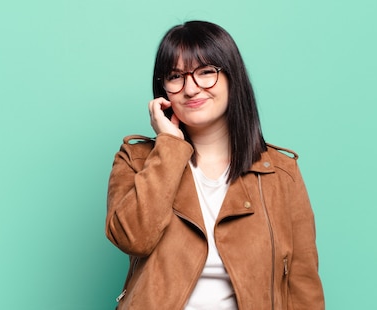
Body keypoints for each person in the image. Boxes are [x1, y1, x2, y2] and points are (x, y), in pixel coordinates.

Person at [106, 20, 324, 310]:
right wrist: (169, 147)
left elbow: (303, 284)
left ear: (233, 78)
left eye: (206, 72)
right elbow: (133, 239)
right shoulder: (136, 160)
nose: (191, 89)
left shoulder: (281, 174)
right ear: (163, 92)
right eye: (175, 76)